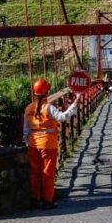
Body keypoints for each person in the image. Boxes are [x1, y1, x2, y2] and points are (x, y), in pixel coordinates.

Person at [23, 78, 79, 210]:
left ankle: (35, 199)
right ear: (46, 93)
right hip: (48, 145)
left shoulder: (28, 108)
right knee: (47, 173)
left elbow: (26, 129)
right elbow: (62, 117)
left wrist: (26, 142)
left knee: (35, 173)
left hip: (33, 144)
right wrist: (75, 104)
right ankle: (48, 200)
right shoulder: (48, 108)